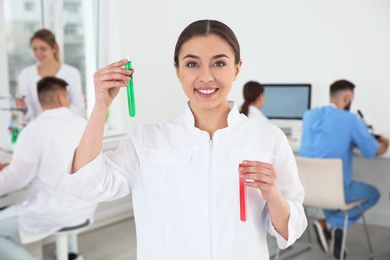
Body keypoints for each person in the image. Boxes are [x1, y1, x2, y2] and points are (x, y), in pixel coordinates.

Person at [66, 19, 307, 260]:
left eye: (219, 63)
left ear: (236, 68)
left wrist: (273, 195)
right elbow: (86, 185)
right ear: (177, 70)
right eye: (192, 64)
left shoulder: (267, 139)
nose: (206, 77)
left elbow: (290, 231)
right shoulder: (146, 140)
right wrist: (101, 106)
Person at [0, 77, 97, 260]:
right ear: (62, 98)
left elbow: (16, 179)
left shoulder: (33, 130)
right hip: (86, 205)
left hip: (56, 210)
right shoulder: (84, 124)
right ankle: (70, 254)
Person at [299, 79, 389, 259]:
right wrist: (386, 141)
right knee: (374, 194)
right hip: (336, 191)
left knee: (331, 198)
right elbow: (373, 151)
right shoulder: (350, 119)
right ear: (347, 98)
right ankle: (331, 223)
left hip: (307, 191)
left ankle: (333, 232)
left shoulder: (309, 115)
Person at [16, 29, 86, 121]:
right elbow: (28, 111)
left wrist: (58, 114)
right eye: (34, 49)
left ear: (54, 48)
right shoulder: (26, 74)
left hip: (66, 125)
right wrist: (23, 107)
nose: (38, 53)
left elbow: (79, 107)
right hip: (40, 127)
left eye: (43, 49)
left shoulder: (72, 73)